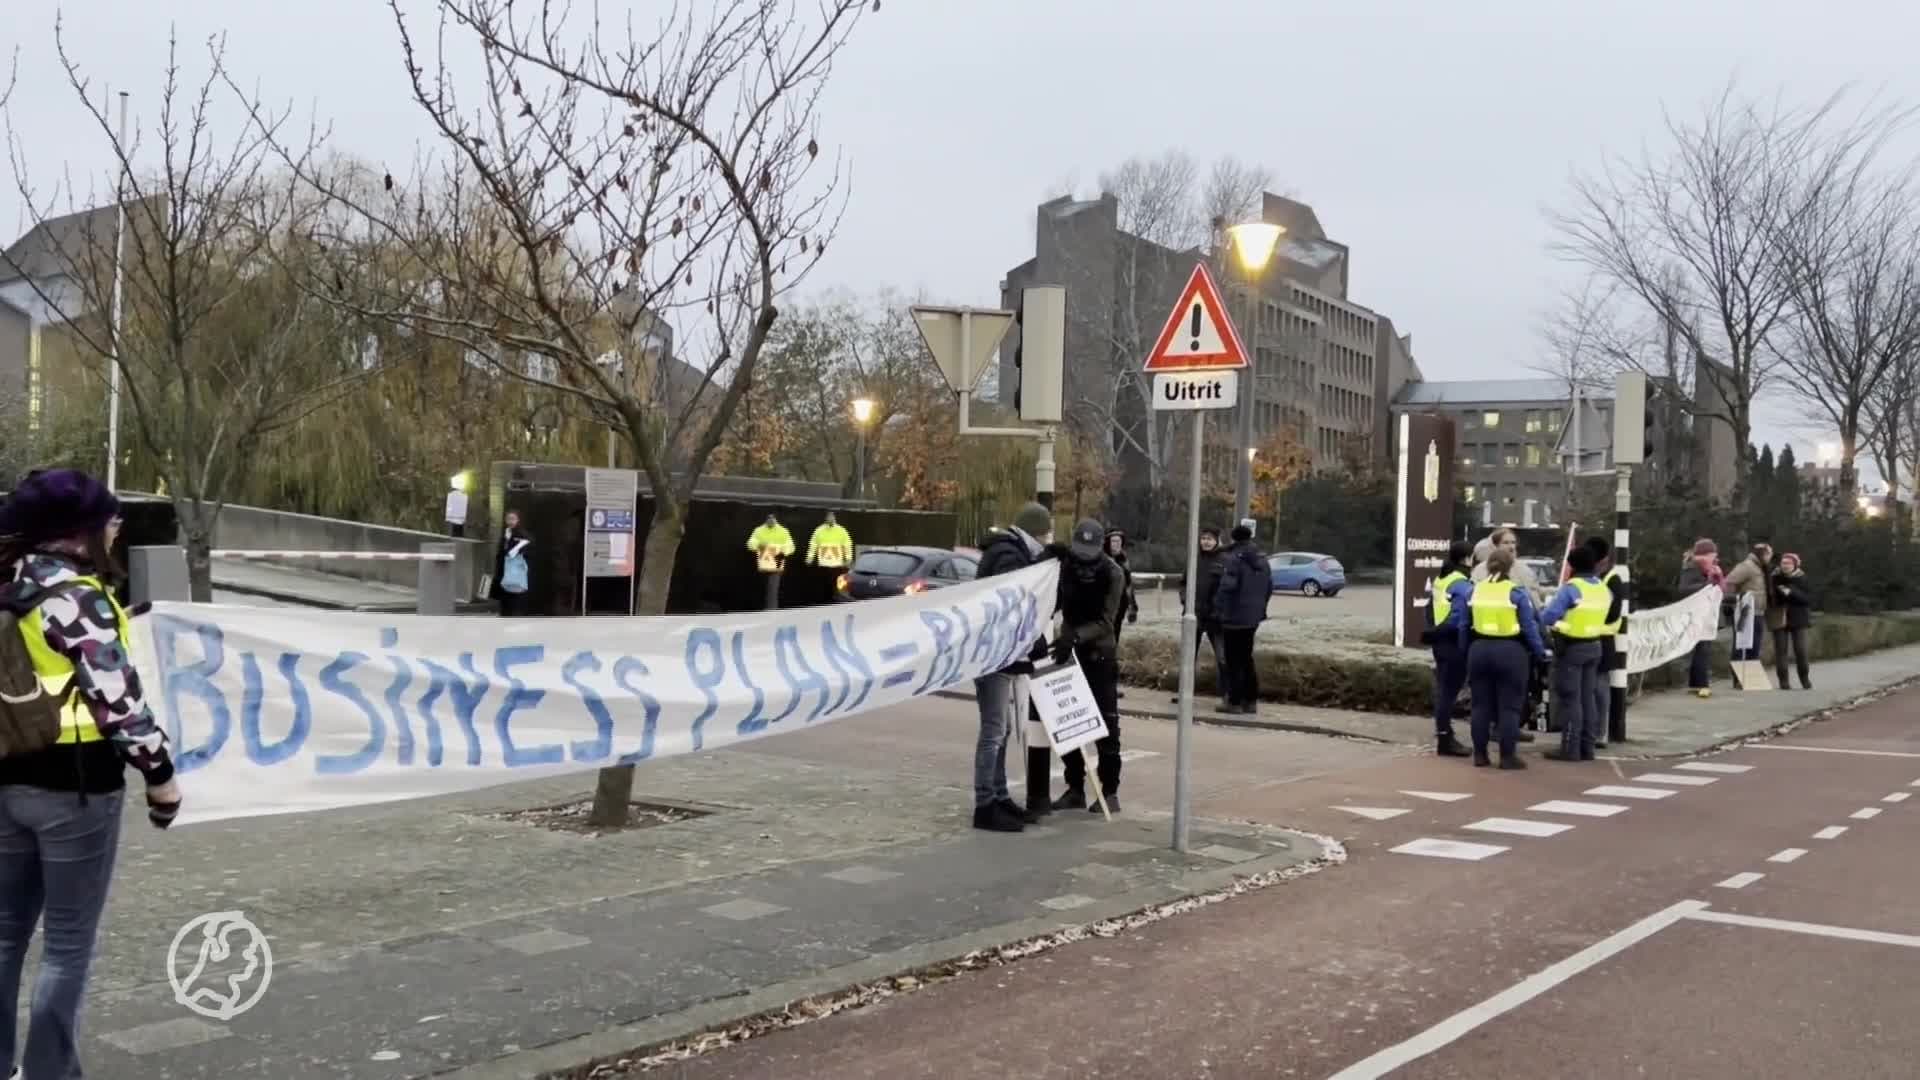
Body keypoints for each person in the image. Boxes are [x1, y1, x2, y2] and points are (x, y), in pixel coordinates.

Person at [0, 469, 181, 1080]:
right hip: (75, 791)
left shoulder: (11, 582)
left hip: (7, 781)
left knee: (3, 938)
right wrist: (161, 776)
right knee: (68, 944)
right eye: (110, 518)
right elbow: (120, 705)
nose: (117, 526)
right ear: (78, 532)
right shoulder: (78, 598)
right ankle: (49, 1072)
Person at [969, 503, 1054, 832]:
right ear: (1035, 532)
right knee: (993, 730)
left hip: (1001, 652)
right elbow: (1016, 601)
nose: (1047, 540)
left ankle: (999, 796)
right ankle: (985, 804)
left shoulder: (1010, 551)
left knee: (1000, 729)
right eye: (1046, 534)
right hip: (993, 654)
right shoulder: (1009, 555)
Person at [1445, 546, 1548, 769]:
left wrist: (1466, 651)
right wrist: (1540, 652)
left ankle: (1480, 755)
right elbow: (1529, 627)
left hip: (1479, 650)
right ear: (1511, 567)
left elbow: (1463, 625)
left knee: (1481, 706)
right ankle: (1507, 757)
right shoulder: (1516, 593)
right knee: (1509, 708)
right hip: (1511, 652)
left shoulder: (1474, 591)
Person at [1051, 520, 1127, 813]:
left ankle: (1110, 792)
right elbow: (1055, 599)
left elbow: (1107, 621)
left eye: (1089, 551)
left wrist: (1076, 636)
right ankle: (1075, 788)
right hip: (1069, 649)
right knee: (1068, 720)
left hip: (1099, 653)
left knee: (1106, 723)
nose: (1083, 557)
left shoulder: (1113, 573)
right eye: (1079, 550)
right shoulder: (1066, 564)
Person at [1539, 546, 1610, 762]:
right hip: (1595, 646)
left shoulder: (1571, 588)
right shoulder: (1601, 588)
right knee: (1588, 698)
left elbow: (1549, 616)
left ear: (1572, 565)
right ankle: (1587, 748)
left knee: (1571, 699)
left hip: (1572, 649)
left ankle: (1570, 748)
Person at [1211, 524, 1273, 715]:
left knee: (1233, 660)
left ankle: (1234, 701)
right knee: (1246, 658)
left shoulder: (1234, 559)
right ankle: (1251, 700)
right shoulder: (1263, 560)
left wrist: (1218, 608)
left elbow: (1227, 587)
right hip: (1252, 617)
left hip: (1233, 617)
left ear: (1233, 538)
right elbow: (1269, 587)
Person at [1423, 540, 1476, 757]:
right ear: (1466, 559)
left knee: (1444, 691)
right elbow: (1458, 616)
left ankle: (1444, 735)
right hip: (1453, 642)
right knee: (1448, 693)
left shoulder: (1441, 578)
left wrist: (1433, 631)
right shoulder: (1461, 583)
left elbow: (1429, 608)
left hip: (1440, 642)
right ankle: (1445, 739)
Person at [1173, 526, 1229, 707]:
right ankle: (1184, 693)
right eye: (1203, 538)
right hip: (1194, 615)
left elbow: (1228, 588)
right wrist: (1185, 600)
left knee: (1222, 657)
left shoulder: (1224, 560)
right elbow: (1183, 583)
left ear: (1217, 541)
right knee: (1188, 657)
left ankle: (1226, 695)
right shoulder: (1194, 560)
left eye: (1210, 539)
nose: (1206, 542)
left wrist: (1219, 609)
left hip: (1215, 618)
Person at [1585, 535, 1626, 749]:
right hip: (1588, 637)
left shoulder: (1612, 580)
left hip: (1602, 639)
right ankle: (1588, 730)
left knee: (1599, 689)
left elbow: (1613, 614)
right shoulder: (1589, 577)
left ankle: (1600, 732)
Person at [1677, 539, 1724, 697]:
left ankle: (1696, 683)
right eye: (1712, 555)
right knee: (1702, 649)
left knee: (1703, 649)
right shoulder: (1691, 568)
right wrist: (1708, 584)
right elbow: (1683, 589)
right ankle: (1702, 684)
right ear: (1703, 555)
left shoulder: (1711, 569)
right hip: (1695, 614)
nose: (1714, 558)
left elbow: (1720, 589)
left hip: (1705, 614)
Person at [1722, 541, 1772, 682]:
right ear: (1763, 554)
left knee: (1754, 646)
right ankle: (1737, 678)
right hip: (1745, 612)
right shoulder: (1747, 566)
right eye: (1769, 554)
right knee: (1740, 645)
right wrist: (1733, 600)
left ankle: (1750, 678)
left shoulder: (1761, 568)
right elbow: (1729, 582)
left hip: (1759, 612)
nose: (1770, 557)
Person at [1103, 529, 1139, 698]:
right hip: (1105, 613)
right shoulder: (1102, 561)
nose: (1116, 545)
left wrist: (1133, 607)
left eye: (1118, 542)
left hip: (1119, 612)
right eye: (1113, 541)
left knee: (1113, 649)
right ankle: (1104, 686)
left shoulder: (1124, 561)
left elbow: (1129, 586)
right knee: (1104, 649)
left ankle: (1110, 686)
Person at [1769, 552, 1813, 690]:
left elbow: (1807, 599)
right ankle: (1784, 681)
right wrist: (1779, 593)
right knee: (1781, 651)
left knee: (1801, 650)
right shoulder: (1774, 577)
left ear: (1795, 565)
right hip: (1779, 616)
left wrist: (1791, 591)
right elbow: (1771, 597)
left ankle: (1804, 679)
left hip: (1799, 618)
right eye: (1783, 563)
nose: (1785, 566)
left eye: (1788, 563)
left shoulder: (1802, 579)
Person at [491, 510, 533, 617]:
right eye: (508, 519)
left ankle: (513, 614)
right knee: (505, 593)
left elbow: (526, 545)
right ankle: (505, 613)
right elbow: (502, 549)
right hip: (504, 568)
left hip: (514, 570)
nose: (510, 521)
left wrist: (514, 549)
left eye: (513, 519)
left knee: (514, 594)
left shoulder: (521, 533)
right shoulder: (506, 532)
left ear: (518, 520)